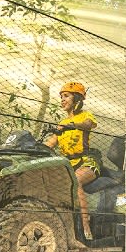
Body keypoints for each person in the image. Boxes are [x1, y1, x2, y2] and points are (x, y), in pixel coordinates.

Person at [45, 81, 98, 237]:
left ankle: (86, 229)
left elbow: (89, 124)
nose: (62, 100)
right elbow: (51, 143)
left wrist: (72, 125)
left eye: (66, 96)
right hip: (69, 164)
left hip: (88, 160)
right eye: (61, 97)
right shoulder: (62, 123)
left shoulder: (85, 115)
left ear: (77, 99)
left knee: (76, 181)